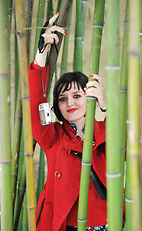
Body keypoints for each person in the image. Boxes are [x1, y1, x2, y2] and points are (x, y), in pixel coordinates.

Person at [29, 12, 107, 231]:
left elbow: (133, 145)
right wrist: (42, 52)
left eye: (76, 96)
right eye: (62, 99)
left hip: (106, 222)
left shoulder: (106, 130)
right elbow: (37, 102)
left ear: (90, 96)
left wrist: (106, 106)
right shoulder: (52, 136)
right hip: (65, 224)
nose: (70, 103)